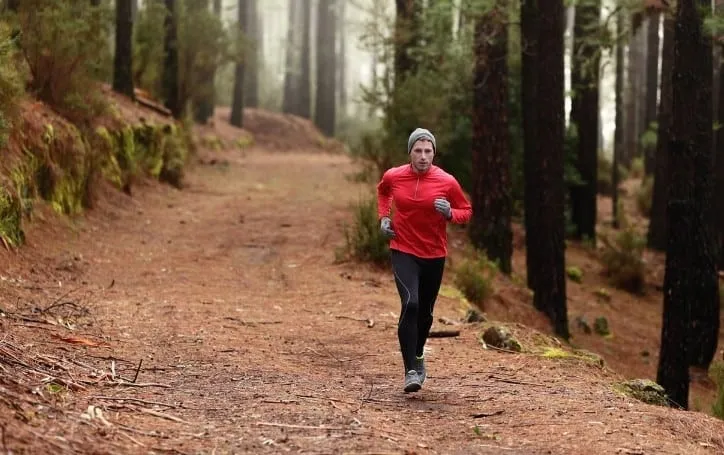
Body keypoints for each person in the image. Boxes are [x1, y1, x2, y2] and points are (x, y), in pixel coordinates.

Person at [376, 127, 473, 393]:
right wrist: (384, 217)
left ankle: (418, 353)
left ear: (434, 153)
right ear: (410, 153)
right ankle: (410, 371)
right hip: (403, 249)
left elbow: (467, 210)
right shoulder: (394, 176)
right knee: (411, 303)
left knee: (426, 314)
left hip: (434, 254)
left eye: (427, 151)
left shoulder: (447, 181)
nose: (422, 156)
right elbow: (383, 192)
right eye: (417, 151)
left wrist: (451, 213)